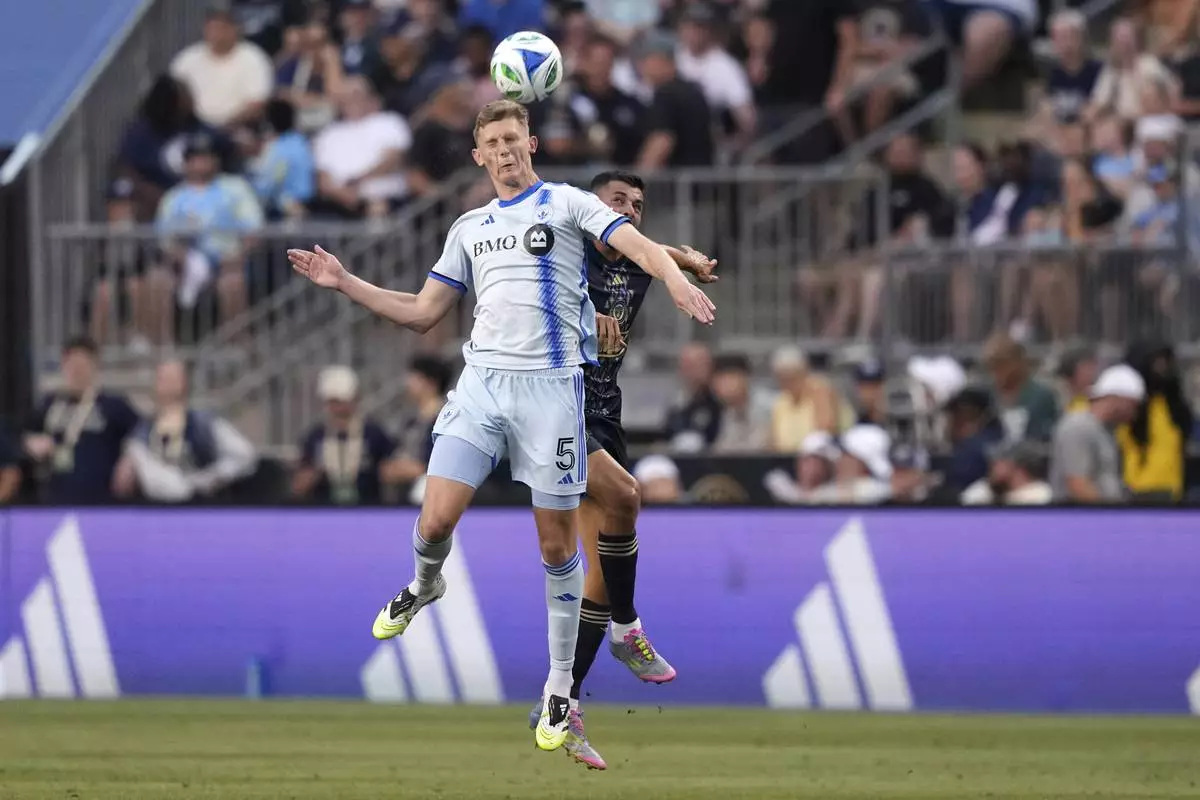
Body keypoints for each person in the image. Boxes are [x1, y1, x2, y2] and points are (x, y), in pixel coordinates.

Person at [286, 99, 715, 753]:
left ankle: (557, 690)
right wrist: (346, 281)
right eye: (494, 141)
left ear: (532, 144)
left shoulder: (571, 206)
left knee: (555, 549)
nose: (507, 148)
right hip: (481, 389)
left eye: (515, 137)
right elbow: (424, 312)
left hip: (551, 398)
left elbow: (630, 239)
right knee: (433, 523)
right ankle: (426, 583)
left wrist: (675, 276)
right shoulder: (468, 228)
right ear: (479, 155)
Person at [523, 169, 718, 769]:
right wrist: (582, 317)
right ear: (590, 207)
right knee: (628, 498)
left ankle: (560, 704)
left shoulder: (638, 258)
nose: (628, 213)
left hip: (604, 417)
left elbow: (655, 249)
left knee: (599, 583)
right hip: (555, 409)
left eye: (636, 205)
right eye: (616, 202)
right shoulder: (562, 251)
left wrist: (687, 261)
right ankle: (628, 634)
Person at [115, 359, 257, 502]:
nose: (164, 384)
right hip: (157, 507)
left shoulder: (204, 422)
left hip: (199, 505)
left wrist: (211, 478)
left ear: (183, 382)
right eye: (160, 379)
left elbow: (244, 455)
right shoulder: (143, 431)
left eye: (170, 379)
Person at [23, 337, 141, 504]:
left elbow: (142, 433)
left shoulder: (112, 405)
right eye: (71, 365)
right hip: (54, 499)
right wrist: (31, 443)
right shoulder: (50, 404)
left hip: (100, 501)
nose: (76, 372)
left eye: (82, 365)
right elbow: (23, 434)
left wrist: (128, 461)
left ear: (94, 365)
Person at [1050, 364, 1144, 503]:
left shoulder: (1108, 433)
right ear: (1118, 399)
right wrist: (1109, 515)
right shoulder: (1078, 427)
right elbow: (1078, 484)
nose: (1134, 414)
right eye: (1132, 405)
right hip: (1081, 518)